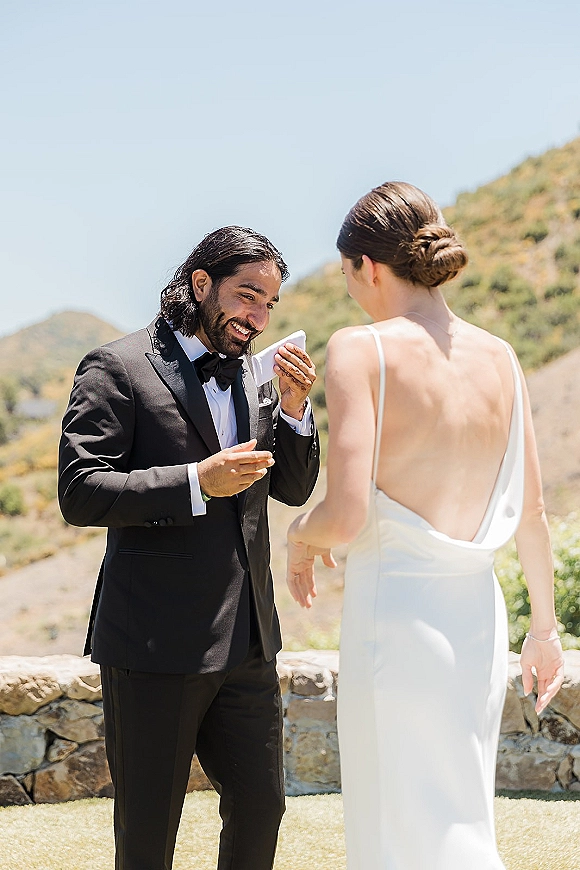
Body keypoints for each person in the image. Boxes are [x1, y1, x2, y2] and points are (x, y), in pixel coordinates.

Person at [285, 183, 564, 869]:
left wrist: (299, 537)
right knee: (459, 814)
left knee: (397, 823)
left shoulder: (362, 350)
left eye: (349, 276)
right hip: (479, 620)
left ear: (367, 268)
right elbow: (530, 513)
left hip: (399, 618)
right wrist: (545, 628)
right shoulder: (501, 356)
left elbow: (345, 514)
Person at [58, 225, 319, 870]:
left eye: (268, 305)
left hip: (249, 642)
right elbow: (82, 491)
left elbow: (291, 485)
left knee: (261, 808)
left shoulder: (257, 377)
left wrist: (292, 409)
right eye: (247, 296)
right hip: (153, 642)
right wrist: (195, 482)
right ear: (201, 284)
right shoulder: (117, 367)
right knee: (148, 834)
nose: (257, 317)